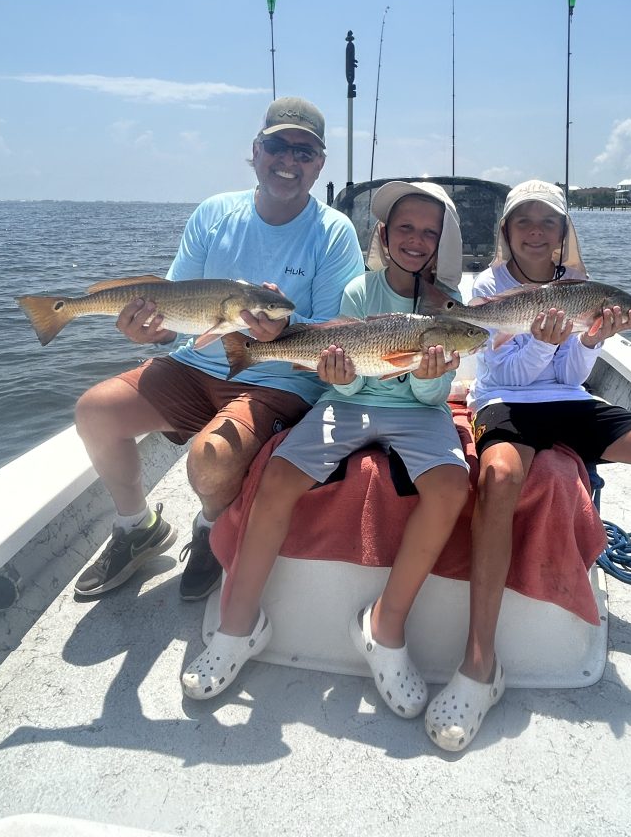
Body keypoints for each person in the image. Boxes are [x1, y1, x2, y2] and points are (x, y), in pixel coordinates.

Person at [424, 178, 631, 754]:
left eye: (549, 222)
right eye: (524, 222)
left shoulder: (582, 290)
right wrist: (540, 341)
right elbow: (504, 379)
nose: (536, 232)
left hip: (571, 404)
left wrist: (592, 340)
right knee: (501, 476)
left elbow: (572, 380)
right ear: (507, 232)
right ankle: (480, 660)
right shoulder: (489, 289)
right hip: (506, 404)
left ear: (564, 233)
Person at [180, 181, 471, 712]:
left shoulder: (449, 303)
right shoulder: (359, 291)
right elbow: (350, 379)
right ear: (383, 235)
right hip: (350, 402)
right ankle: (237, 625)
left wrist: (432, 376)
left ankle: (386, 625)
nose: (416, 240)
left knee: (452, 488)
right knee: (278, 478)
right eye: (405, 228)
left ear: (440, 242)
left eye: (429, 232)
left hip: (420, 412)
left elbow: (432, 395)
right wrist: (340, 377)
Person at [73, 97, 365, 601]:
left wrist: (279, 333)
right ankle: (136, 526)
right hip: (197, 362)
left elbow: (332, 333)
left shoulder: (334, 233)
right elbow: (175, 311)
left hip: (279, 378)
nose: (288, 161)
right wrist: (152, 331)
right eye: (277, 146)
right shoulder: (214, 214)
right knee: (96, 411)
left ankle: (211, 528)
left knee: (209, 459)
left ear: (319, 165)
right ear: (255, 151)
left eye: (303, 152)